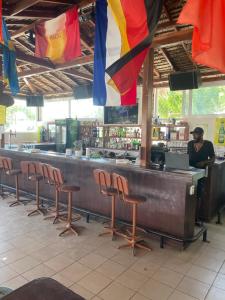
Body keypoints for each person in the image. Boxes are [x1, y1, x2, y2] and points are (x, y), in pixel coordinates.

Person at [188, 127, 215, 224]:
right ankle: (188, 216)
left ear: (202, 134)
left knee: (198, 194)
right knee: (188, 194)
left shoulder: (208, 144)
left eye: (196, 134)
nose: (194, 136)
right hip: (189, 173)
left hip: (201, 173)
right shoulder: (190, 144)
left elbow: (213, 158)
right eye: (193, 134)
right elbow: (187, 156)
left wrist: (204, 162)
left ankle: (196, 218)